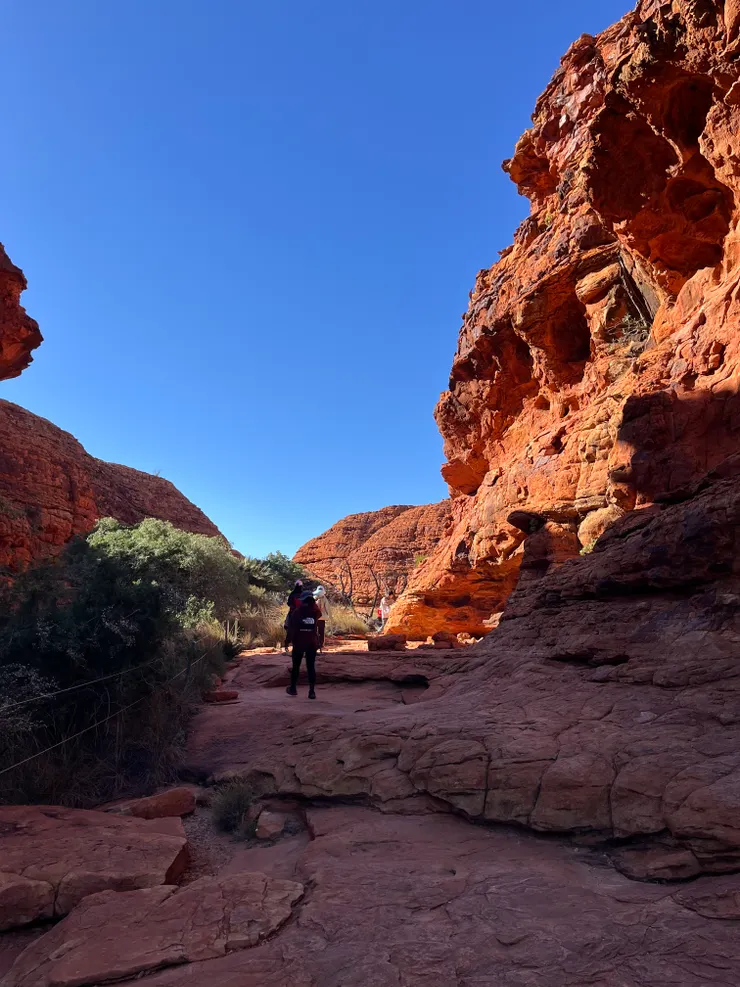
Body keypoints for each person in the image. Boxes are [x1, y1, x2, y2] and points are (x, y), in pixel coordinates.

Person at [286, 593, 321, 700]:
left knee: (296, 666)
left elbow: (291, 628)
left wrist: (287, 641)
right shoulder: (315, 612)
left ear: (303, 601)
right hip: (311, 643)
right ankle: (312, 691)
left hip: (299, 643)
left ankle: (293, 688)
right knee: (311, 667)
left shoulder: (297, 612)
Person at [283, 580, 304, 652]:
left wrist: (294, 607)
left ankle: (287, 645)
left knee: (289, 628)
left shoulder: (292, 594)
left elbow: (289, 603)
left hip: (293, 612)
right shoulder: (303, 594)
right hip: (301, 613)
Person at [313, 585, 331, 652]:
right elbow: (328, 609)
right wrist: (330, 617)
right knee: (321, 631)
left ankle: (314, 645)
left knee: (314, 631)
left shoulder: (314, 598)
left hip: (315, 618)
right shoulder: (325, 599)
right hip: (322, 618)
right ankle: (320, 645)